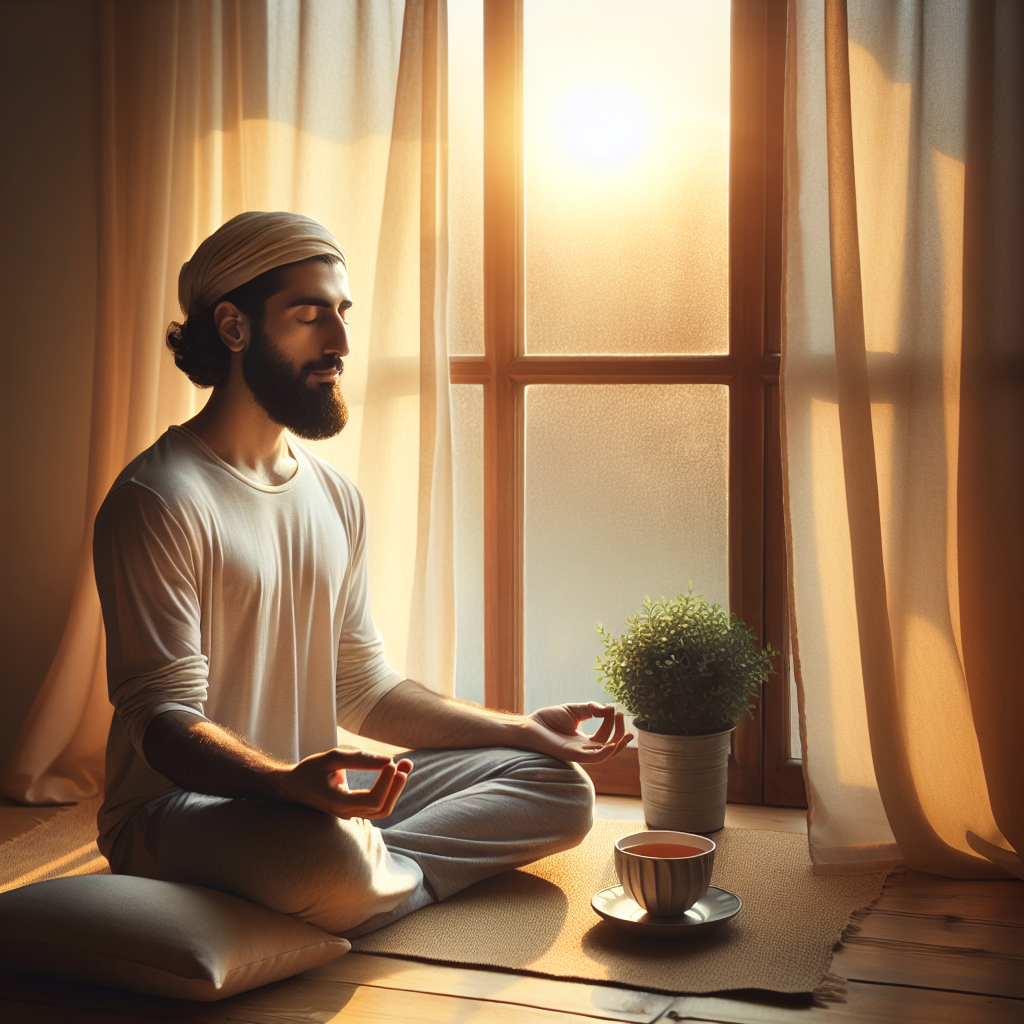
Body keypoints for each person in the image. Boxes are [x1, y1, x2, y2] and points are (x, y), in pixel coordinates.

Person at [93, 211, 632, 938]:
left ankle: (365, 875)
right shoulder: (158, 500)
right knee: (326, 859)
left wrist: (523, 728)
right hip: (181, 814)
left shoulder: (335, 496)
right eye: (310, 316)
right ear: (232, 328)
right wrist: (282, 783)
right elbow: (162, 725)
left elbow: (363, 688)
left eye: (342, 313)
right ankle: (354, 875)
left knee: (558, 785)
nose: (341, 343)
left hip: (309, 802)